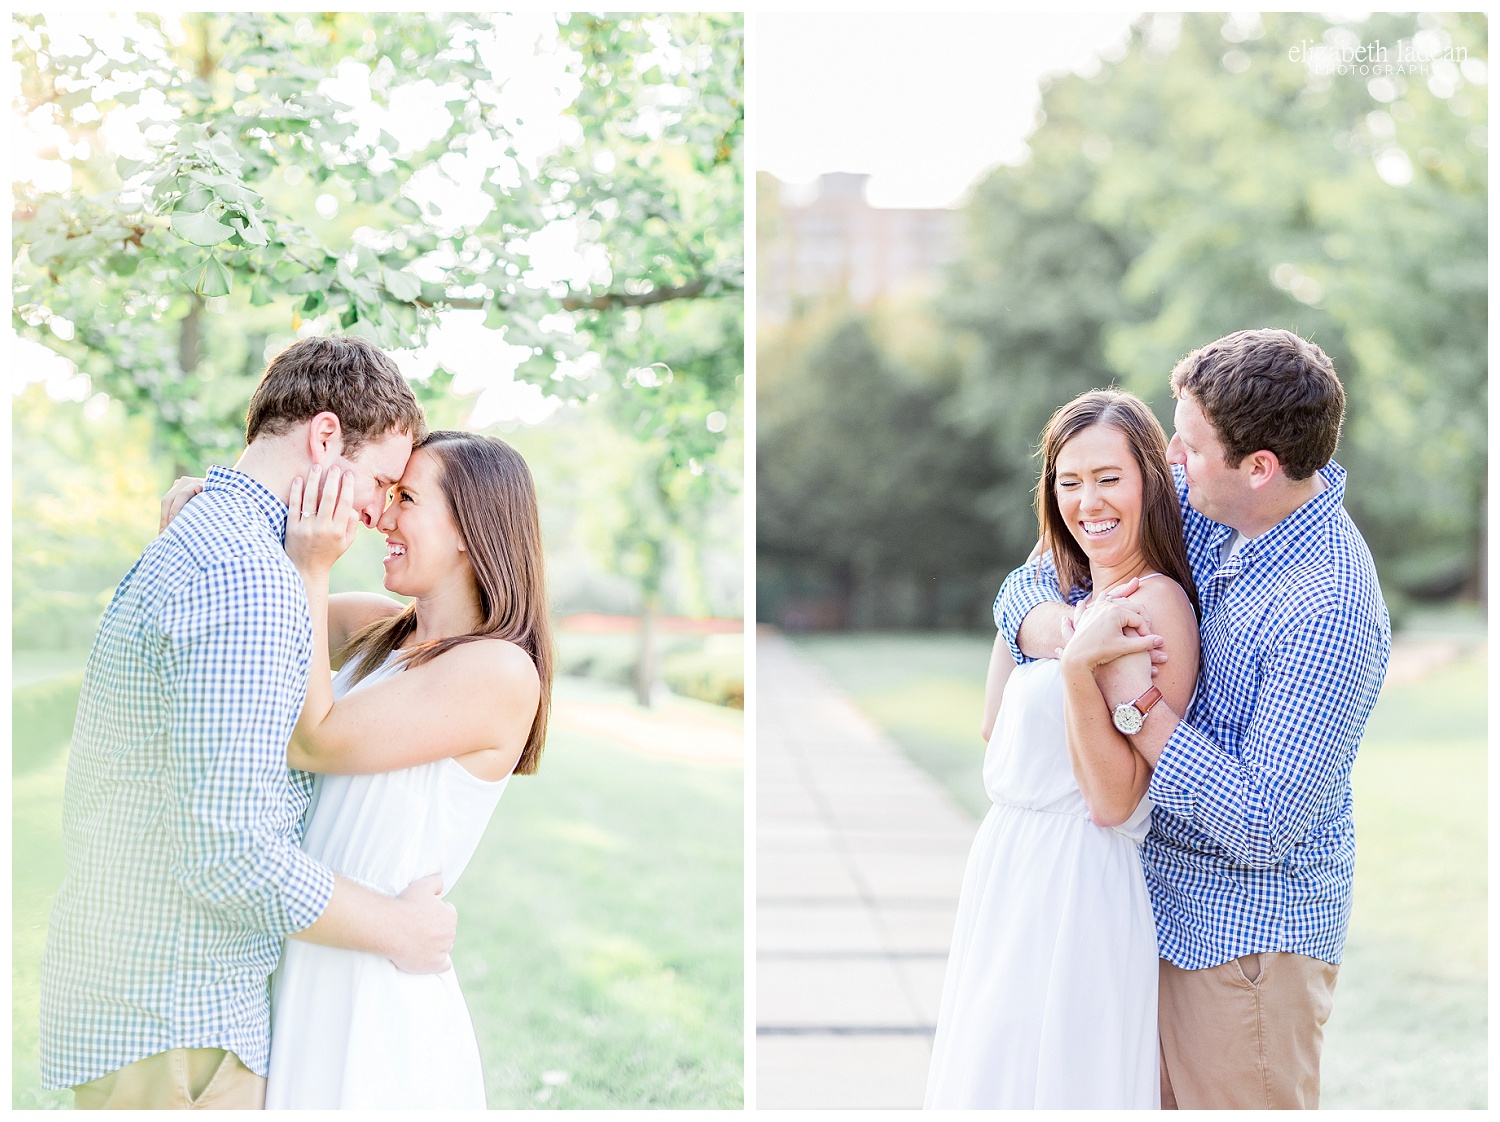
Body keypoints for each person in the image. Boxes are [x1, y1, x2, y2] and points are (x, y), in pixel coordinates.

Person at [39, 335, 456, 1110]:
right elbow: (229, 853)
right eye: (381, 481)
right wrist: (402, 932)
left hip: (149, 1006)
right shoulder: (247, 579)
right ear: (325, 437)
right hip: (179, 1021)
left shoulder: (218, 540)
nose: (378, 508)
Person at [993, 328, 1391, 1109]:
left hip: (1243, 951)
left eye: (1189, 445)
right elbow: (1031, 576)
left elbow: (1260, 822)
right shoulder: (1209, 505)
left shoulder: (1331, 607)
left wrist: (1129, 701)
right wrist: (1072, 634)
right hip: (1140, 913)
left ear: (1261, 466)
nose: (1169, 458)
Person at [257, 430, 553, 1108]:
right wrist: (214, 510)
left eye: (406, 498)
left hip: (376, 1007)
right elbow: (257, 610)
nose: (383, 517)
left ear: (468, 531)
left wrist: (312, 564)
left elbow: (316, 741)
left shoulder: (497, 671)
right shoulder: (379, 631)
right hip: (312, 966)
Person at [925, 389, 1201, 1109]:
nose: (1088, 501)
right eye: (1068, 482)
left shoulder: (1153, 605)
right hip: (1009, 863)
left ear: (1148, 478)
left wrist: (1080, 668)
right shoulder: (1067, 591)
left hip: (1081, 878)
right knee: (993, 1078)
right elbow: (994, 724)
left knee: (1061, 1086)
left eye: (1108, 478)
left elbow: (1117, 801)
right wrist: (1035, 604)